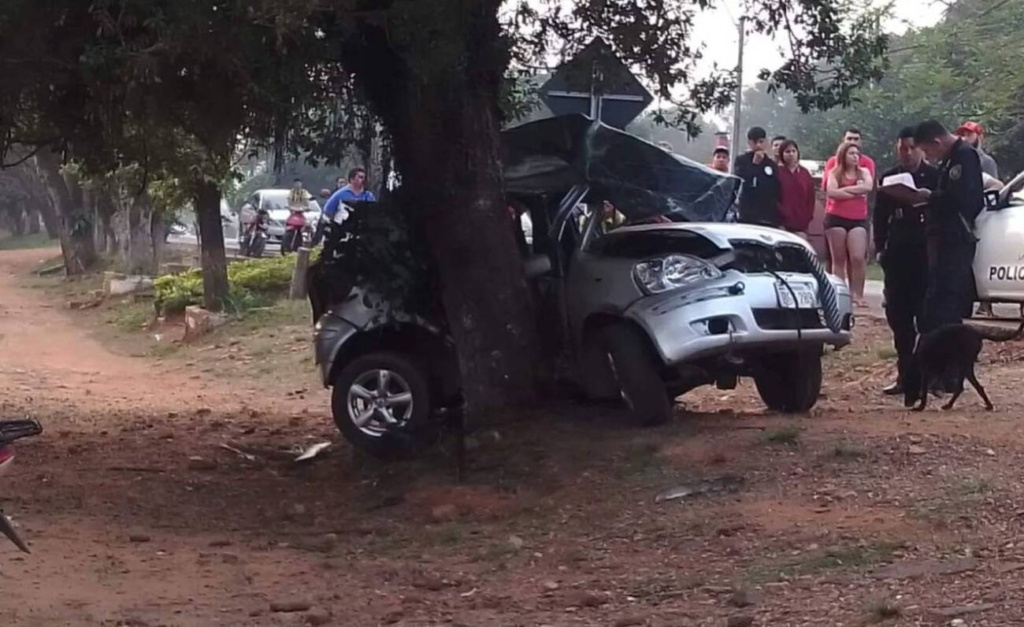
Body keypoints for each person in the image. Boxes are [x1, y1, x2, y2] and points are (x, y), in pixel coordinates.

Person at [873, 127, 940, 395]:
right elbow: (879, 217)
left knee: (926, 317)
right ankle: (905, 376)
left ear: (921, 148)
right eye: (903, 148)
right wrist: (880, 247)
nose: (908, 153)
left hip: (924, 250)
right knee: (899, 319)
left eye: (912, 148)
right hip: (898, 251)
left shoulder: (935, 177)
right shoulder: (890, 177)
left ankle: (929, 377)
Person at [911, 120, 984, 335]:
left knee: (948, 299)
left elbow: (962, 198)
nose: (929, 156)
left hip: (955, 237)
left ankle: (948, 351)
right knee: (936, 300)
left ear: (936, 141)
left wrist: (930, 197)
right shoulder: (950, 158)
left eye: (927, 150)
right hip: (941, 236)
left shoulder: (964, 156)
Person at [824, 141, 874, 307]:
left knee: (858, 257)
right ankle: (839, 294)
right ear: (843, 155)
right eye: (851, 153)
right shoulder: (834, 173)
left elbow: (868, 187)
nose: (855, 157)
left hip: (858, 218)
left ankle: (857, 294)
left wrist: (845, 191)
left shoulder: (864, 172)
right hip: (836, 217)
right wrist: (855, 192)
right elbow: (831, 192)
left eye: (857, 154)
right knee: (839, 259)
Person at [732, 127, 780, 227]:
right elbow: (741, 181)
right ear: (749, 143)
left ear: (766, 142)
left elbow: (775, 188)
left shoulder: (772, 164)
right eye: (755, 142)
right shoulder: (742, 161)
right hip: (747, 214)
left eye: (761, 141)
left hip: (767, 216)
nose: (758, 145)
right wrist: (755, 164)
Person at [775, 139, 815, 238]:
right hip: (781, 223)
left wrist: (807, 217)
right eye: (787, 152)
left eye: (793, 151)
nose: (791, 154)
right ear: (782, 154)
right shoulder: (777, 172)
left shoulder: (804, 173)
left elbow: (810, 198)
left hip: (800, 224)